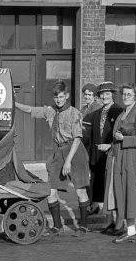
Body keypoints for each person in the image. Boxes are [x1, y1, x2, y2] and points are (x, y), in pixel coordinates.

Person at [15, 80, 90, 237]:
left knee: (80, 190)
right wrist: (13, 102)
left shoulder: (74, 113)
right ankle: (57, 226)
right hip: (59, 152)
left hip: (75, 153)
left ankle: (83, 226)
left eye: (61, 97)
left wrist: (68, 160)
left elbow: (77, 138)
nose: (59, 100)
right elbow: (29, 109)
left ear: (67, 96)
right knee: (50, 190)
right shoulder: (50, 111)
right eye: (56, 97)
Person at [102, 84, 136, 244]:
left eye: (129, 94)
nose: (126, 97)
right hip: (120, 161)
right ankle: (131, 231)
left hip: (133, 161)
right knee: (125, 195)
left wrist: (124, 139)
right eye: (124, 94)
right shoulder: (121, 115)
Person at [85, 82, 123, 219]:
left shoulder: (119, 111)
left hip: (111, 153)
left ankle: (115, 219)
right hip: (96, 154)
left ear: (112, 95)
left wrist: (110, 145)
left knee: (111, 186)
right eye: (102, 94)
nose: (104, 97)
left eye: (107, 94)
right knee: (97, 181)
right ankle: (98, 207)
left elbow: (121, 134)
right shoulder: (96, 113)